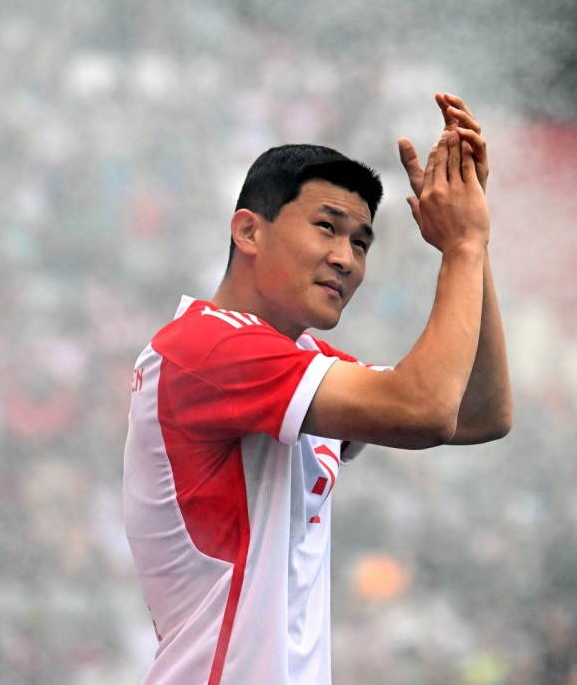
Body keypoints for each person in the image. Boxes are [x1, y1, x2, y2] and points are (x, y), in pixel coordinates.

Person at [122, 92, 514, 684]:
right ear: (248, 232)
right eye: (326, 227)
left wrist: (472, 243)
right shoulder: (205, 347)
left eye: (361, 242)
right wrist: (460, 247)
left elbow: (479, 412)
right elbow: (426, 409)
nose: (346, 259)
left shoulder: (299, 360)